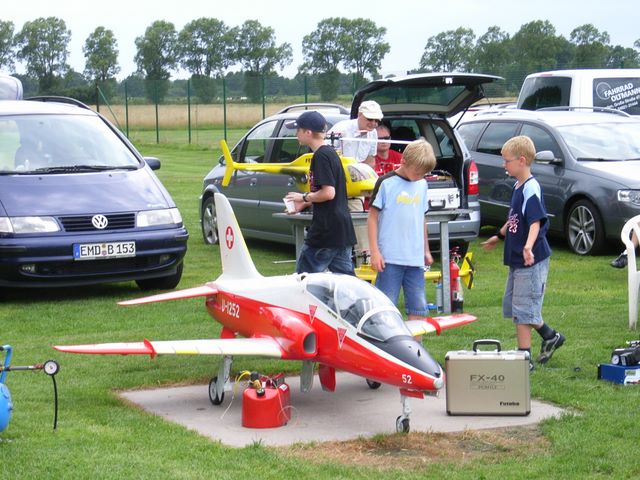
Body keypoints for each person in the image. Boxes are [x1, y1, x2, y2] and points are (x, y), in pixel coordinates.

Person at [481, 135, 565, 370]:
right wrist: (499, 236)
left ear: (521, 160)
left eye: (506, 161)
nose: (503, 165)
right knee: (518, 305)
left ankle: (524, 359)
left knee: (523, 309)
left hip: (531, 259)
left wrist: (528, 246)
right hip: (518, 258)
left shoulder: (531, 188)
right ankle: (550, 336)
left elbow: (536, 221)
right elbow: (515, 218)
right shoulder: (518, 186)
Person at [367, 138, 436, 322]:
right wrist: (375, 252)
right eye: (417, 172)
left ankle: (416, 342)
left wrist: (426, 250)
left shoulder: (422, 184)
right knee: (385, 307)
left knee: (418, 307)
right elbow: (372, 218)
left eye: (423, 173)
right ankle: (386, 340)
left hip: (415, 259)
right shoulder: (386, 183)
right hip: (389, 258)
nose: (420, 176)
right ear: (404, 161)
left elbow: (421, 218)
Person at [284, 111, 357, 275]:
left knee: (304, 279)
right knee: (345, 282)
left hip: (325, 231)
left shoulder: (321, 156)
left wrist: (303, 196)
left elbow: (329, 193)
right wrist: (305, 203)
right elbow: (329, 193)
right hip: (341, 230)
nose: (296, 134)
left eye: (298, 130)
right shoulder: (330, 153)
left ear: (308, 132)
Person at [328, 100, 383, 168]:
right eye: (370, 119)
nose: (373, 123)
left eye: (377, 120)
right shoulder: (341, 129)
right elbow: (324, 154)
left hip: (358, 172)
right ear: (359, 114)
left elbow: (370, 160)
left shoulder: (373, 133)